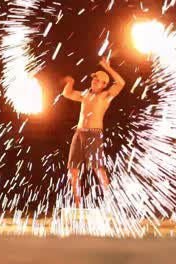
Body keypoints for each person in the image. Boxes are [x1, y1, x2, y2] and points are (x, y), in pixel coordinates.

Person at [62, 57, 125, 208]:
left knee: (98, 168)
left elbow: (121, 83)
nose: (94, 81)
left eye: (97, 80)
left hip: (93, 134)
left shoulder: (105, 96)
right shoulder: (85, 94)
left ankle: (110, 203)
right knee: (73, 169)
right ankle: (77, 205)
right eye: (93, 79)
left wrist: (107, 67)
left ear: (104, 84)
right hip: (79, 133)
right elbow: (66, 94)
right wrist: (70, 83)